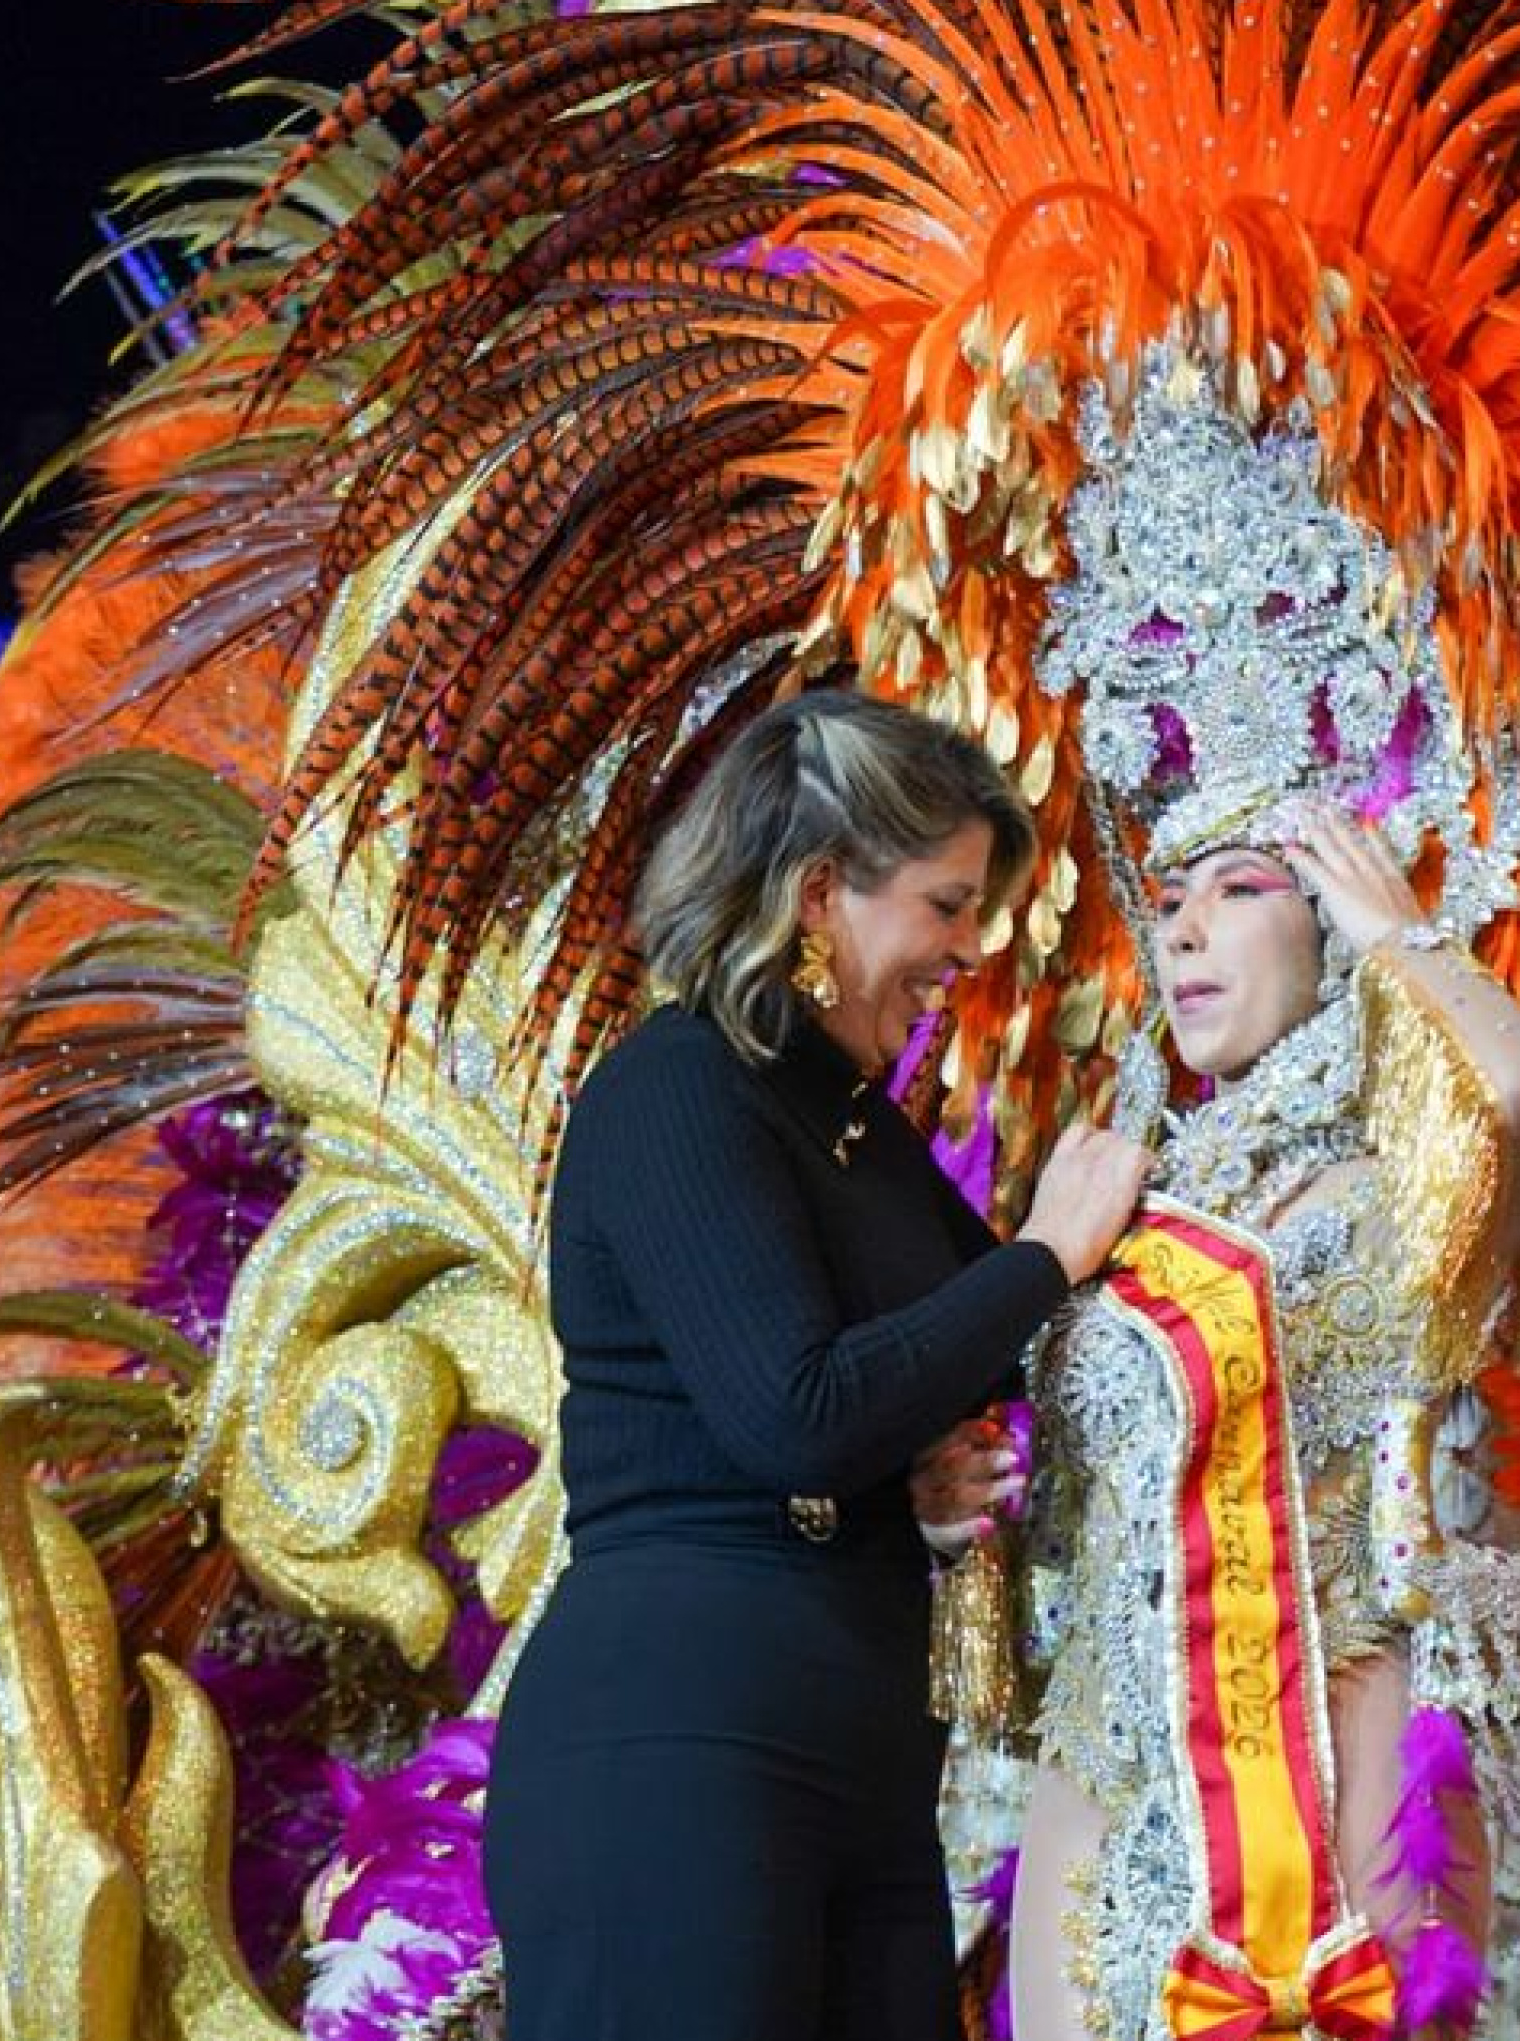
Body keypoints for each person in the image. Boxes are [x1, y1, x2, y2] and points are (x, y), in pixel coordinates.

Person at [483, 687, 1150, 2041]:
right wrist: (1043, 1256)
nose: (971, 947)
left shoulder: (856, 1129)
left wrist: (937, 1457)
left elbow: (961, 1369)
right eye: (947, 905)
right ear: (823, 890)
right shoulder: (676, 1089)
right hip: (683, 1748)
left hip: (859, 1757)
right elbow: (799, 1412)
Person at [1007, 799, 1520, 2041]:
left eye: (1240, 889)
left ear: (1330, 923)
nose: (1182, 931)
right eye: (1170, 901)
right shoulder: (1117, 1195)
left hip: (1332, 1744)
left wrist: (1404, 936)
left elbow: (1518, 1101)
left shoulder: (1397, 1191)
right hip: (1111, 1760)